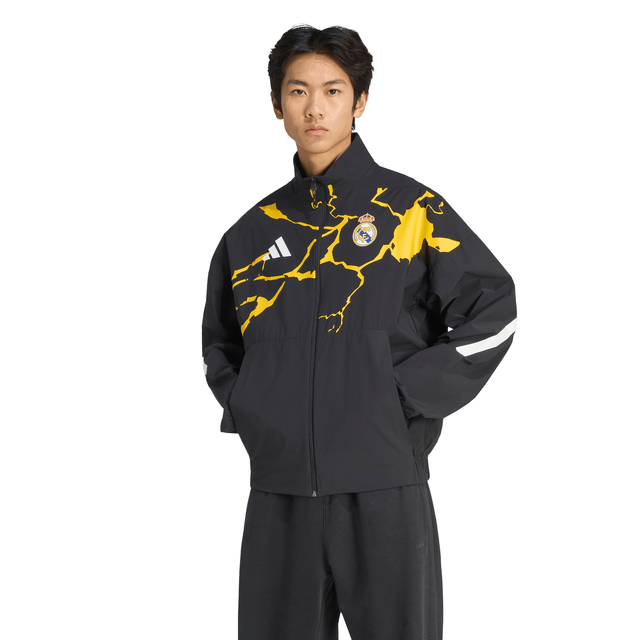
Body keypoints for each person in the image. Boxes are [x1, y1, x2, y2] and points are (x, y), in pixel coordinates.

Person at [202, 24, 517, 640]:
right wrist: (259, 411)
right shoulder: (249, 234)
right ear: (277, 104)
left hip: (385, 488)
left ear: (360, 101)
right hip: (280, 496)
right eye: (298, 91)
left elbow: (493, 310)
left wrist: (398, 396)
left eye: (333, 91)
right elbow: (220, 344)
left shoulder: (411, 210)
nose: (314, 108)